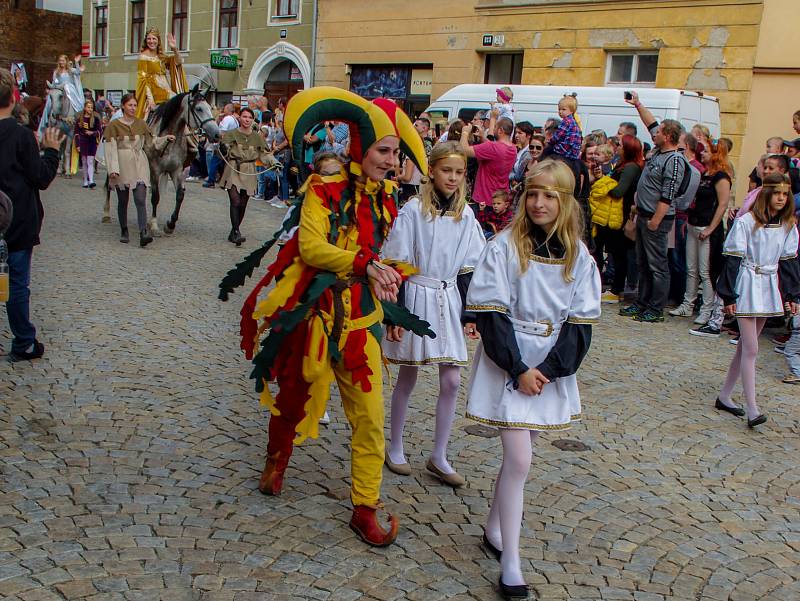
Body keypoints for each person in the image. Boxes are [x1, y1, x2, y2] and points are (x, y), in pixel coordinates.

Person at [221, 87, 429, 547]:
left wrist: (391, 294)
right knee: (293, 402)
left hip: (361, 328)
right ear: (360, 147)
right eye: (383, 150)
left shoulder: (389, 198)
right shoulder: (323, 189)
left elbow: (387, 255)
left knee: (371, 420)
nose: (391, 160)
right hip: (316, 323)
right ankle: (276, 458)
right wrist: (362, 265)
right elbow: (313, 247)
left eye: (396, 152)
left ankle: (365, 507)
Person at [466, 159, 600, 599]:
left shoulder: (579, 256)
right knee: (520, 460)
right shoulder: (504, 246)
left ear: (565, 202)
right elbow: (492, 313)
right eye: (533, 194)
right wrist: (519, 368)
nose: (539, 203)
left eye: (550, 196)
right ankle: (511, 562)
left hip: (548, 366)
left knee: (521, 457)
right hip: (510, 361)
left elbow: (580, 325)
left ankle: (493, 527)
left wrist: (548, 371)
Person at [381, 142, 485, 487]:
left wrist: (471, 315)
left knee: (452, 379)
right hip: (416, 294)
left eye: (459, 172)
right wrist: (395, 313)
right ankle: (395, 445)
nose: (453, 178)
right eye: (446, 171)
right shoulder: (413, 210)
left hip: (448, 295)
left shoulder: (466, 214)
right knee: (408, 374)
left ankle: (439, 454)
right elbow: (395, 259)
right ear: (432, 171)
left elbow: (473, 265)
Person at [715, 173, 799, 428]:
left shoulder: (788, 227)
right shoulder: (746, 223)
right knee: (751, 348)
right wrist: (729, 294)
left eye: (785, 194)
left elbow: (789, 262)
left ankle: (724, 396)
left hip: (768, 286)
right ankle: (752, 409)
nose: (781, 199)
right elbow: (732, 259)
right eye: (777, 194)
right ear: (767, 195)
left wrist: (792, 295)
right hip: (747, 284)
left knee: (744, 347)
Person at [0, 68, 64, 361]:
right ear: (13, 98)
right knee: (16, 286)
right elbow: (41, 177)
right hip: (16, 222)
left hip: (12, 221)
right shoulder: (21, 136)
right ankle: (24, 341)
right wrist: (51, 151)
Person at [619, 91, 689, 323]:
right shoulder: (659, 150)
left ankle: (656, 308)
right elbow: (650, 122)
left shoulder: (674, 160)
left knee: (657, 265)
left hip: (657, 219)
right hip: (643, 214)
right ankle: (642, 302)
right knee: (643, 263)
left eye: (658, 133)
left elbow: (668, 195)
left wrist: (655, 221)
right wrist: (638, 104)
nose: (654, 133)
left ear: (668, 136)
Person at [670, 140, 732, 324]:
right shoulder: (704, 174)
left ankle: (707, 309)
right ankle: (687, 304)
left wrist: (711, 228)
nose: (702, 153)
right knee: (691, 269)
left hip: (707, 227)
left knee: (706, 271)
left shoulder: (721, 177)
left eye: (706, 151)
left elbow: (722, 205)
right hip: (693, 223)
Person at [104, 93, 175, 247]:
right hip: (122, 163)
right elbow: (110, 149)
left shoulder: (141, 124)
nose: (133, 108)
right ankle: (124, 229)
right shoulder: (114, 125)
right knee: (123, 200)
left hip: (139, 163)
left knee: (140, 198)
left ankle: (143, 232)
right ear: (123, 106)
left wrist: (165, 139)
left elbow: (152, 141)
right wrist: (113, 169)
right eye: (130, 105)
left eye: (135, 105)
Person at [594, 135, 644, 303]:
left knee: (619, 253)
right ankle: (616, 289)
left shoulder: (630, 168)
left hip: (620, 215)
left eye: (621, 146)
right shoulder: (624, 165)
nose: (618, 148)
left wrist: (603, 184)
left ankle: (616, 290)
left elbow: (618, 191)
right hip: (615, 214)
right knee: (617, 253)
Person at [218, 107, 274, 246]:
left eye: (250, 117)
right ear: (240, 118)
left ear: (253, 119)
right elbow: (222, 149)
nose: (247, 119)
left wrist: (275, 163)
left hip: (249, 170)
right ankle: (237, 232)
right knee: (235, 201)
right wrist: (224, 148)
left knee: (243, 204)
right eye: (244, 116)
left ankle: (233, 231)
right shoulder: (231, 134)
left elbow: (265, 154)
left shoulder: (257, 137)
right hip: (233, 168)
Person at [459, 116, 516, 217]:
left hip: (484, 199)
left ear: (500, 130)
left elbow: (464, 149)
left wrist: (465, 132)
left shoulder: (493, 148)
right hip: (500, 200)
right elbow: (495, 150)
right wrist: (482, 137)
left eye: (494, 128)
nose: (492, 130)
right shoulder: (513, 148)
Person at [134, 27, 187, 120]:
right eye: (149, 39)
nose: (151, 41)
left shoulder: (161, 56)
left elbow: (178, 62)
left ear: (158, 41)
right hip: (152, 90)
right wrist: (150, 100)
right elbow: (143, 79)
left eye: (154, 38)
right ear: (146, 41)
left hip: (164, 87)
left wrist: (175, 49)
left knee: (178, 103)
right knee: (174, 98)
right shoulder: (143, 56)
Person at [38, 54, 84, 140]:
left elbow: (78, 73)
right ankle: (47, 119)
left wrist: (76, 62)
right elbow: (55, 83)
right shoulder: (56, 72)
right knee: (50, 100)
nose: (61, 62)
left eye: (63, 60)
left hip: (69, 90)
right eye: (60, 60)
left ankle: (76, 113)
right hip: (59, 90)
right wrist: (51, 87)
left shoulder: (70, 70)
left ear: (66, 61)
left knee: (68, 89)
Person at [74, 99, 102, 189]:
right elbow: (76, 133)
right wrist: (77, 145)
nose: (90, 109)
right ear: (85, 108)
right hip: (83, 142)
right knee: (84, 162)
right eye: (88, 107)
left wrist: (92, 133)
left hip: (92, 142)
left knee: (90, 161)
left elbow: (99, 131)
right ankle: (85, 180)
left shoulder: (96, 119)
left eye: (91, 107)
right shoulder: (80, 120)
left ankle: (91, 180)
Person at [509, 121, 534, 187]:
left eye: (520, 133)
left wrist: (509, 176)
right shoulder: (518, 150)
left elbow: (518, 176)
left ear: (528, 135)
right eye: (516, 132)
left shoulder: (528, 152)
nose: (516, 135)